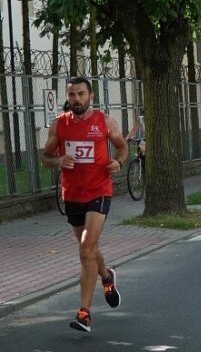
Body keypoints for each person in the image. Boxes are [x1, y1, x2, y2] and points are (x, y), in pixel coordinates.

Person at [41, 77, 128, 332]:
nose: (76, 99)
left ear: (91, 96)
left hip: (99, 192)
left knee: (85, 250)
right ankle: (107, 277)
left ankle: (84, 314)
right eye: (71, 94)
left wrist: (119, 163)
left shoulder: (104, 122)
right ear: (67, 97)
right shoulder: (59, 125)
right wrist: (58, 161)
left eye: (81, 94)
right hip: (72, 196)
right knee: (88, 249)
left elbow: (122, 148)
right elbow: (45, 158)